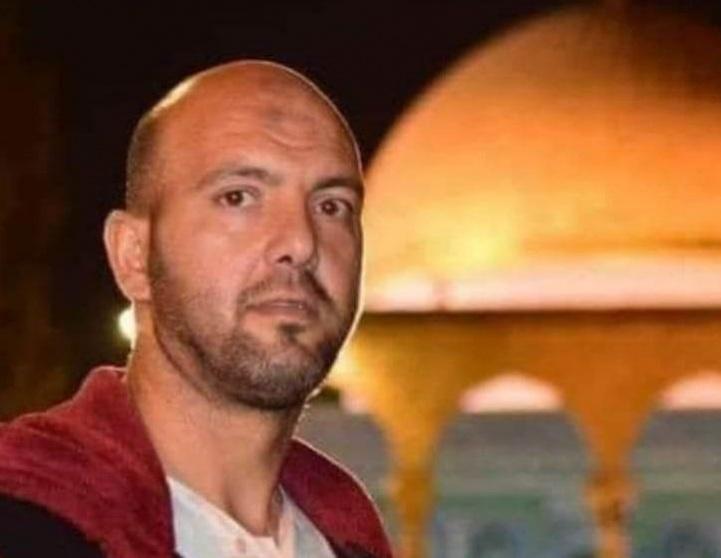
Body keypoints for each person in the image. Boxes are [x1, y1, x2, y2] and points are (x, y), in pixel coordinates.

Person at [0, 60, 392, 558]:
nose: (300, 241)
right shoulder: (25, 520)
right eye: (238, 197)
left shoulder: (349, 542)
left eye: (331, 205)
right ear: (134, 256)